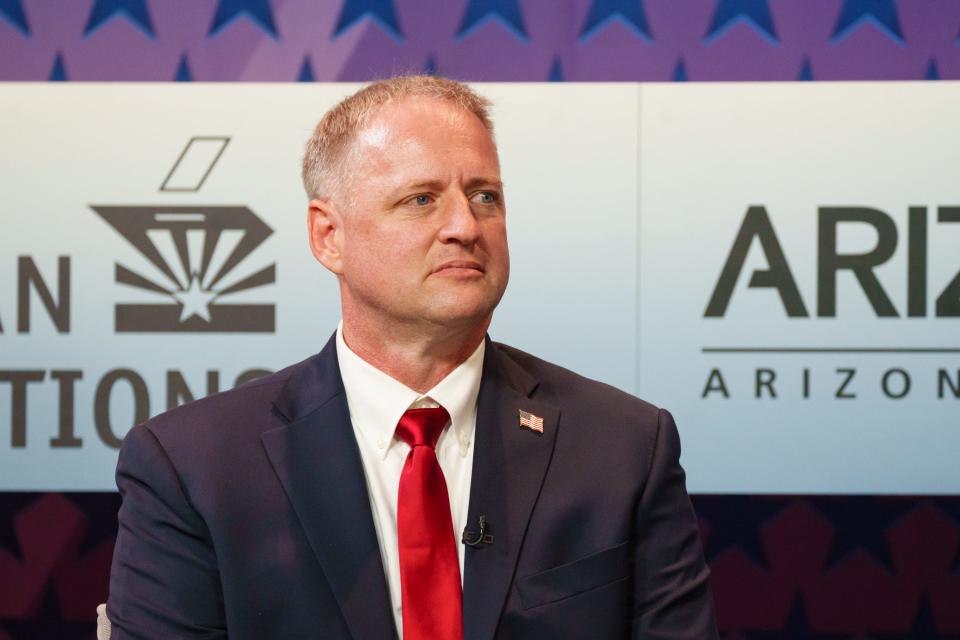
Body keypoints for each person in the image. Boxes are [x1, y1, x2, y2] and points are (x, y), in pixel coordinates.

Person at [107, 75, 717, 639]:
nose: (465, 226)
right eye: (422, 200)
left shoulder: (625, 447)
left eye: (484, 196)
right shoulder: (193, 467)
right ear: (328, 236)